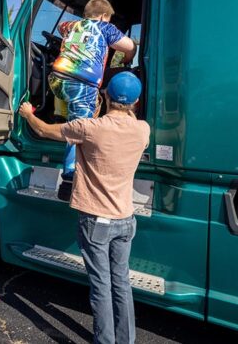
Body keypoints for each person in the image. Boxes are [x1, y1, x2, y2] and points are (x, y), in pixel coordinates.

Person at [19, 71, 150, 344]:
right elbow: (127, 121)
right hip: (126, 220)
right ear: (136, 103)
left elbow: (43, 130)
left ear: (105, 96)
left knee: (101, 286)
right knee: (121, 283)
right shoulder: (142, 130)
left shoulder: (89, 128)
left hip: (96, 221)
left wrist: (28, 113)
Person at [49, 0, 137, 199]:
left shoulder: (70, 25)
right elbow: (130, 46)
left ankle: (59, 117)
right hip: (82, 83)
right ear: (105, 16)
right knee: (80, 130)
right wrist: (126, 59)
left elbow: (62, 29)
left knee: (68, 101)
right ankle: (69, 180)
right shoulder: (105, 28)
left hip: (57, 80)